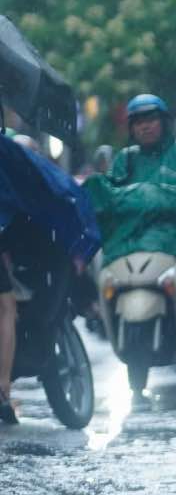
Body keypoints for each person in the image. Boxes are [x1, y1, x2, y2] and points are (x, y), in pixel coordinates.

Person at [86, 93, 176, 341]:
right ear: (131, 128)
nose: (145, 126)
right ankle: (99, 309)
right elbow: (109, 192)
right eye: (138, 122)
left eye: (151, 119)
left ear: (163, 122)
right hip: (135, 235)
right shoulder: (125, 159)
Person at [0, 131, 102, 424]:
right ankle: (3, 387)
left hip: (33, 269)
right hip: (24, 267)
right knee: (6, 308)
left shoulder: (37, 186)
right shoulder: (37, 185)